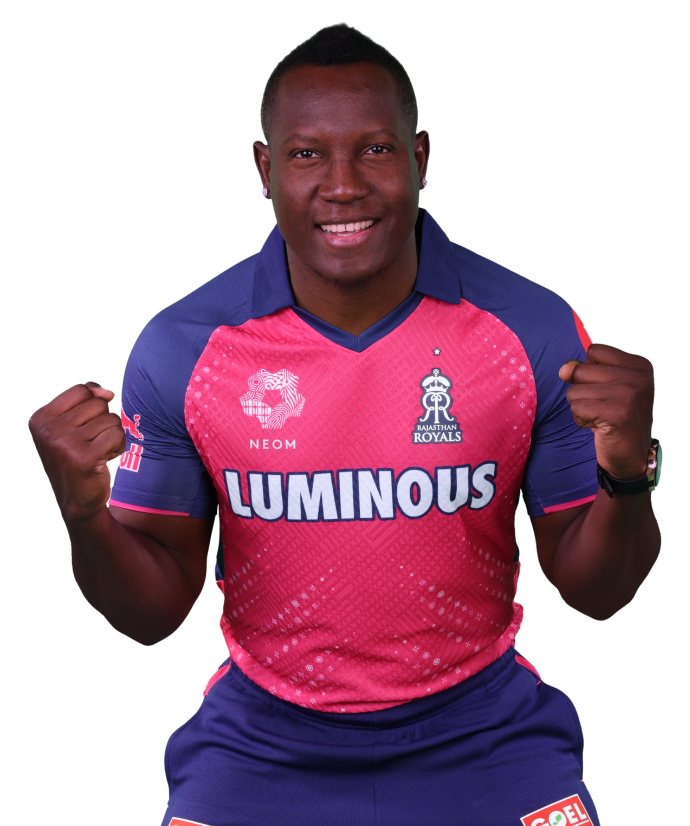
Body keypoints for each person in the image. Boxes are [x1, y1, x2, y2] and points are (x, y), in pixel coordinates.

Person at [28, 22, 661, 826]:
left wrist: (629, 477)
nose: (342, 185)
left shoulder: (530, 330)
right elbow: (149, 617)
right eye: (306, 154)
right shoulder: (185, 347)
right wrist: (84, 516)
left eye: (375, 149)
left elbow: (599, 594)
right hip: (261, 745)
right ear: (265, 170)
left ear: (421, 158)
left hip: (486, 737)